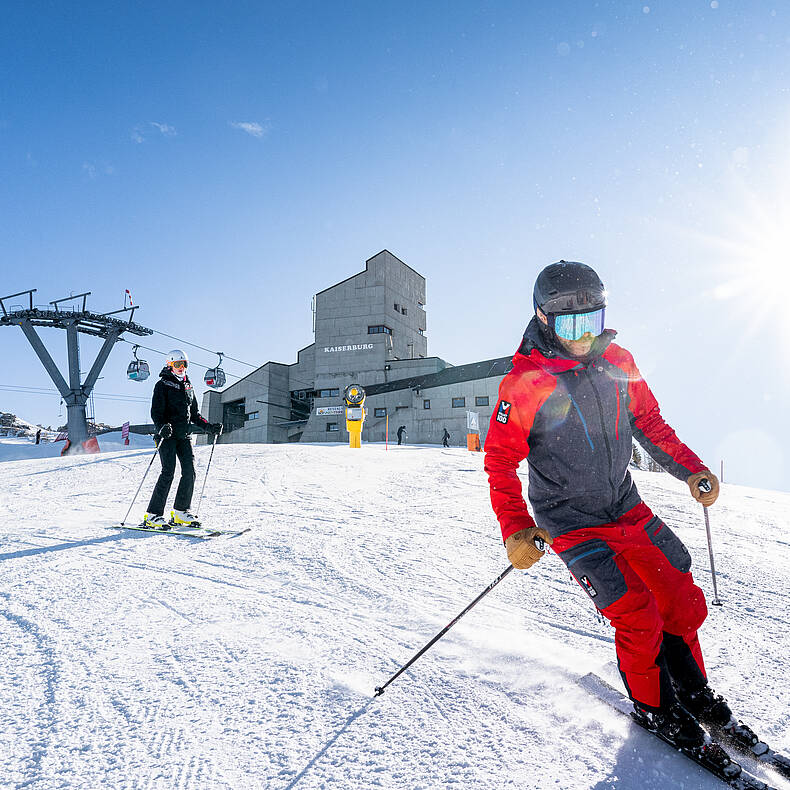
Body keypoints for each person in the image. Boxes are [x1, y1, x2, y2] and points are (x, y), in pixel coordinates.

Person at [484, 261, 729, 753]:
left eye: (591, 323)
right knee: (635, 612)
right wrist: (516, 528)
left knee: (678, 596)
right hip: (571, 521)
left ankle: (695, 692)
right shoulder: (525, 382)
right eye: (570, 325)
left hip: (625, 505)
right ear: (544, 318)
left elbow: (651, 424)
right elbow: (499, 461)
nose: (581, 337)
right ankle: (656, 707)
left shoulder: (619, 361)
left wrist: (691, 469)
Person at [143, 350, 222, 528]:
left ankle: (180, 512)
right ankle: (153, 515)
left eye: (184, 364)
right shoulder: (162, 385)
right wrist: (162, 427)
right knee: (168, 471)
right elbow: (156, 412)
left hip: (184, 435)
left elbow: (194, 414)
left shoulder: (188, 386)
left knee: (190, 471)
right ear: (170, 365)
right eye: (178, 364)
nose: (181, 368)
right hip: (167, 435)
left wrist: (209, 427)